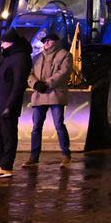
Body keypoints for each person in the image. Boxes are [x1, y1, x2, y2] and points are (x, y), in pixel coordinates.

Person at [0, 29, 32, 180]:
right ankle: (3, 164)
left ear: (11, 42)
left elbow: (19, 84)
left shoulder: (20, 57)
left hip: (7, 104)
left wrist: (10, 105)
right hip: (1, 103)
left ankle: (6, 166)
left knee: (7, 135)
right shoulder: (12, 56)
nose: (1, 45)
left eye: (4, 42)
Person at [24, 31, 73, 167]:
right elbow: (29, 73)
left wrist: (47, 84)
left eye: (50, 40)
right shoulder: (37, 57)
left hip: (55, 94)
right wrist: (35, 84)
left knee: (59, 125)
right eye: (45, 41)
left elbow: (64, 72)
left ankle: (66, 154)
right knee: (36, 127)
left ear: (56, 42)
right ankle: (34, 157)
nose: (46, 43)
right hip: (39, 95)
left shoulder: (65, 55)